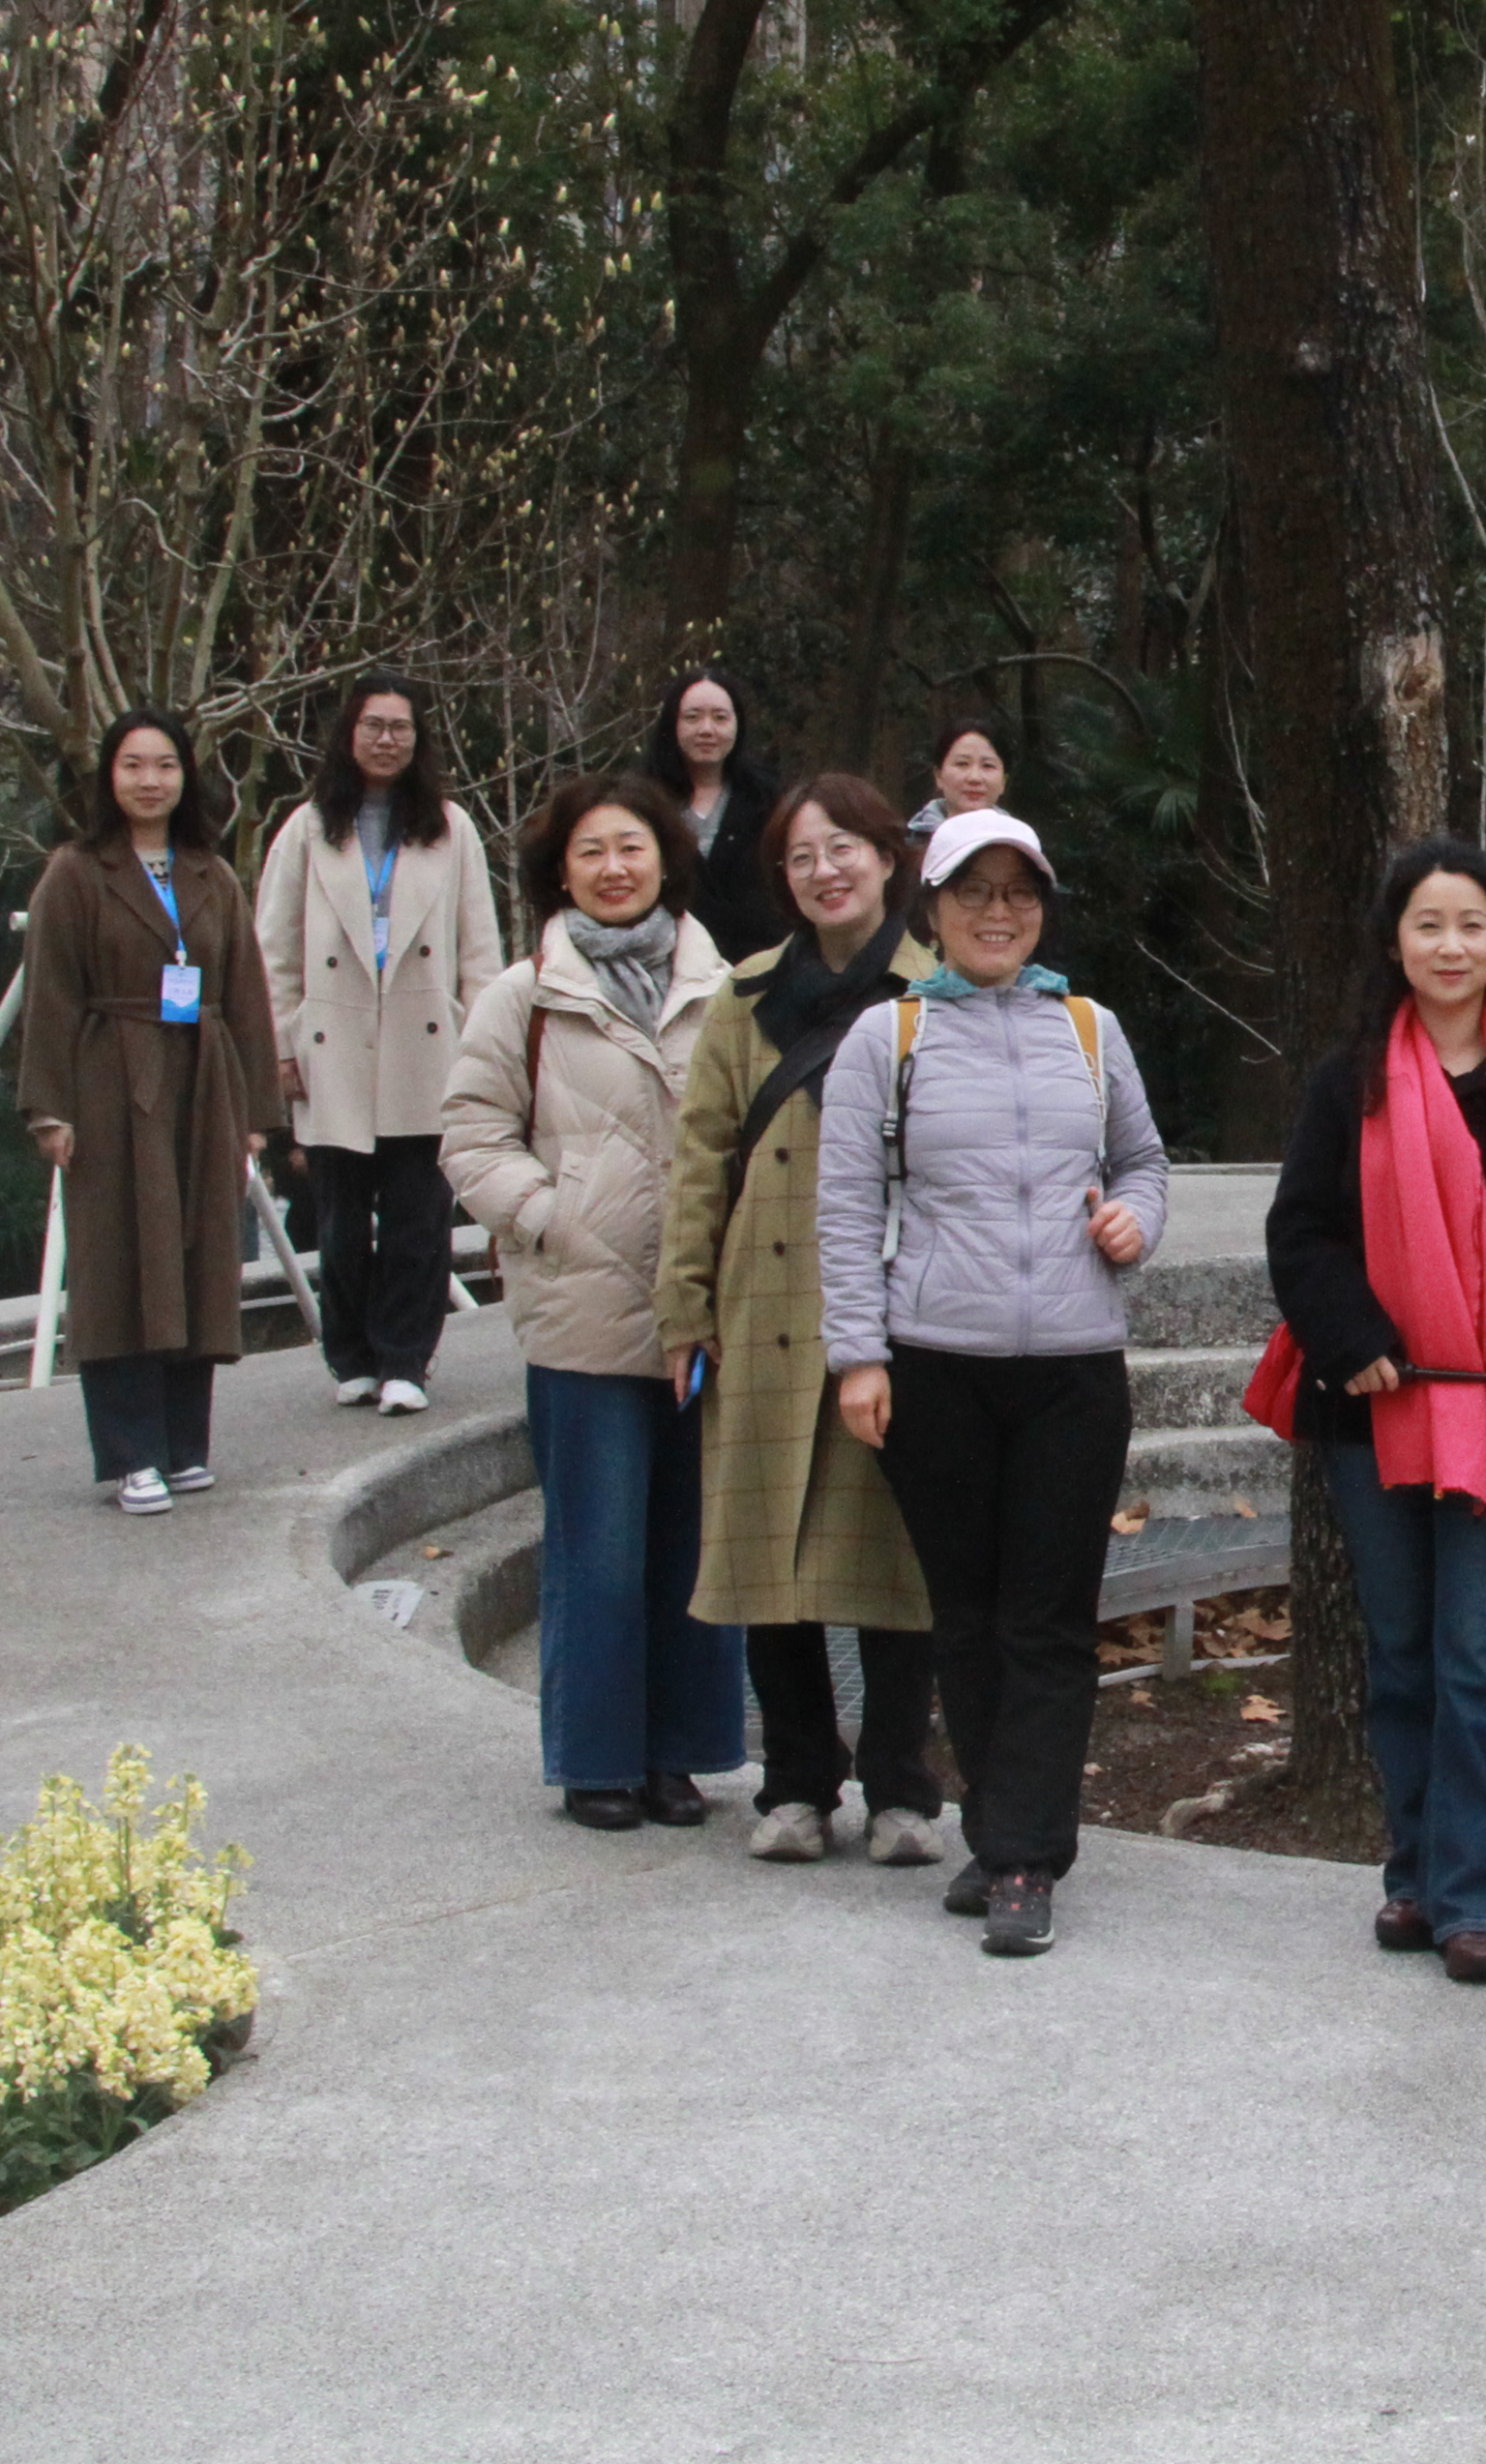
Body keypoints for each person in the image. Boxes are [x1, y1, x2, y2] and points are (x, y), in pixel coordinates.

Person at [1263, 841, 1486, 1984]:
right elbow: (1302, 1233)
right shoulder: (1347, 1081)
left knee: (1476, 1656)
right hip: (1377, 1410)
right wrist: (1355, 1336)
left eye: (1472, 924)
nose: (1451, 946)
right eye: (1429, 924)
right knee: (1403, 1654)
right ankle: (1415, 1873)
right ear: (1394, 943)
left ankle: (1479, 1898)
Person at [818, 808, 1173, 1957]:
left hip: (1074, 1364)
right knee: (964, 1618)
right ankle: (1000, 1826)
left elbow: (1143, 1161)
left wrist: (1136, 1221)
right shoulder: (891, 1037)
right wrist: (858, 1356)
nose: (998, 912)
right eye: (974, 891)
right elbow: (846, 1211)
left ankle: (1024, 1856)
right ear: (930, 908)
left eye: (1020, 892)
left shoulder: (1090, 1026)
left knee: (1049, 1619)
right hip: (938, 1363)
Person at [659, 771, 950, 1872]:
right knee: (766, 1553)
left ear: (888, 857)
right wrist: (684, 1305)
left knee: (893, 1558)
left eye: (843, 849)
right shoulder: (741, 999)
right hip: (763, 1303)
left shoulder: (938, 991)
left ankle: (903, 1787)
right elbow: (699, 1162)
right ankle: (792, 1781)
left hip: (892, 1306)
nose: (825, 871)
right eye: (799, 857)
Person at [443, 777, 742, 1828]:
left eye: (632, 847)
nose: (615, 867)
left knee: (694, 1549)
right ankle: (597, 1760)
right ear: (558, 872)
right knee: (599, 1549)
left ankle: (680, 1754)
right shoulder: (522, 995)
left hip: (704, 1312)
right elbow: (471, 1134)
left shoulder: (726, 984)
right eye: (590, 852)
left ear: (667, 856)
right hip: (582, 1310)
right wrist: (549, 1218)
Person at [14, 713, 285, 1515]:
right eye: (132, 765)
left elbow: (246, 995)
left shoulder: (211, 874)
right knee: (119, 1259)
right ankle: (131, 1452)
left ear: (185, 777)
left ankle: (184, 1445)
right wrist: (49, 1110)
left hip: (202, 1079)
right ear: (108, 777)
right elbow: (53, 994)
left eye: (164, 765)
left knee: (197, 1252)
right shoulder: (75, 872)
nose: (149, 781)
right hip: (110, 1076)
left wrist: (256, 1112)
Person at [257, 670, 505, 1419]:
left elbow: (479, 950)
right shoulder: (305, 828)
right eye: (374, 725)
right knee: (338, 1216)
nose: (387, 739)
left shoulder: (452, 828)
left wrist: (484, 1048)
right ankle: (351, 1354)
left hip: (425, 1043)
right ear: (349, 733)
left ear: (418, 738)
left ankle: (407, 1357)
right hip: (331, 1041)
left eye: (400, 727)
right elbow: (274, 947)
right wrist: (280, 1044)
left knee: (418, 1214)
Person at [644, 670, 783, 965]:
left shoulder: (768, 798)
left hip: (758, 968)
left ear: (738, 724)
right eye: (692, 717)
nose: (706, 729)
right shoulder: (642, 801)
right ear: (672, 724)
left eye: (720, 718)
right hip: (667, 964)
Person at [916, 721, 1009, 857]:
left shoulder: (1022, 848)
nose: (974, 778)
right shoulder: (907, 847)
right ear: (938, 776)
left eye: (988, 765)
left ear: (1004, 781)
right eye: (962, 764)